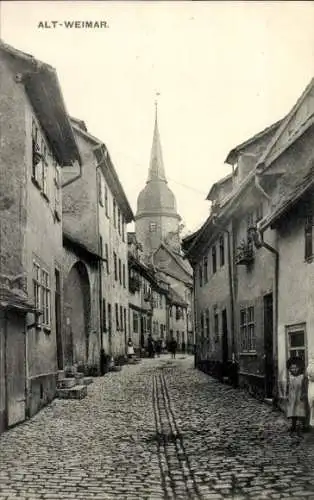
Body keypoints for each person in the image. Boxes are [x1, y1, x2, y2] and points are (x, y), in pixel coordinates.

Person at [286, 356, 308, 433]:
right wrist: (287, 395)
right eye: (292, 368)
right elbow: (288, 387)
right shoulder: (290, 377)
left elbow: (305, 387)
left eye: (296, 368)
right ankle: (293, 426)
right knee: (293, 412)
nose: (294, 370)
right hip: (292, 396)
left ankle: (304, 426)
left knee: (302, 411)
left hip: (300, 396)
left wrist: (304, 394)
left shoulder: (302, 377)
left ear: (299, 368)